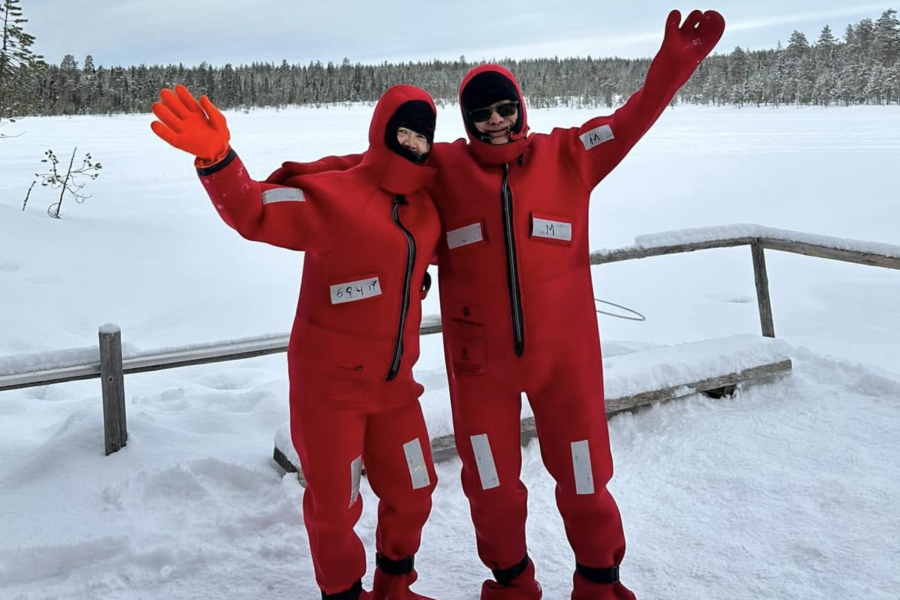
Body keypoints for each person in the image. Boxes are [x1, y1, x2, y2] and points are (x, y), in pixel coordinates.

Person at [427, 10, 726, 600]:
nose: (494, 120)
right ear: (466, 121)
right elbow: (370, 181)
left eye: (504, 107)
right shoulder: (444, 170)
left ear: (521, 108)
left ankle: (598, 583)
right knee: (489, 482)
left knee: (586, 479)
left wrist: (673, 67)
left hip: (566, 360)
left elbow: (631, 119)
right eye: (481, 112)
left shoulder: (569, 155)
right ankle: (512, 585)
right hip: (478, 364)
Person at [150, 83, 443, 600]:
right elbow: (256, 210)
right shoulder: (337, 197)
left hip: (396, 387)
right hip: (331, 391)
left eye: (423, 138)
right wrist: (218, 159)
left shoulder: (427, 209)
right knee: (335, 506)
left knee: (415, 487)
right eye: (404, 133)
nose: (414, 146)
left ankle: (396, 587)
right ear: (381, 132)